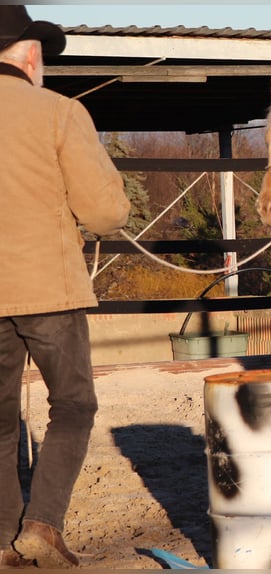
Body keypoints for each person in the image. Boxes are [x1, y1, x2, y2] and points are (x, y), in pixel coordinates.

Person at [0, 6, 131, 569]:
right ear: (31, 56)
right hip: (48, 289)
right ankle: (43, 525)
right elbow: (105, 213)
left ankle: (1, 537)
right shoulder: (59, 112)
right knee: (74, 406)